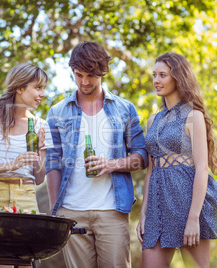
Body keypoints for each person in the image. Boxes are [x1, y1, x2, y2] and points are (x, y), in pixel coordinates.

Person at [46, 41, 148, 268]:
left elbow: (142, 156)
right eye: (78, 74)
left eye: (91, 75)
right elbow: (52, 162)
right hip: (71, 211)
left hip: (112, 209)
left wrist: (113, 164)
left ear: (103, 71)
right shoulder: (57, 112)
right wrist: (57, 212)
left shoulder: (125, 109)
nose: (84, 82)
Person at [136, 52, 217, 267]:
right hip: (158, 208)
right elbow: (151, 170)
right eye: (154, 75)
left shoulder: (193, 116)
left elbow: (202, 169)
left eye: (162, 75)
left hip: (189, 206)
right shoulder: (152, 121)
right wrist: (144, 213)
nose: (156, 80)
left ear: (178, 77)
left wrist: (194, 218)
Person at [0, 62, 54, 267]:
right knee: (1, 261)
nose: (43, 93)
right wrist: (12, 164)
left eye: (44, 88)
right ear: (20, 88)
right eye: (38, 87)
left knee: (27, 259)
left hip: (25, 195)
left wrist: (38, 154)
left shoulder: (41, 126)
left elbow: (39, 178)